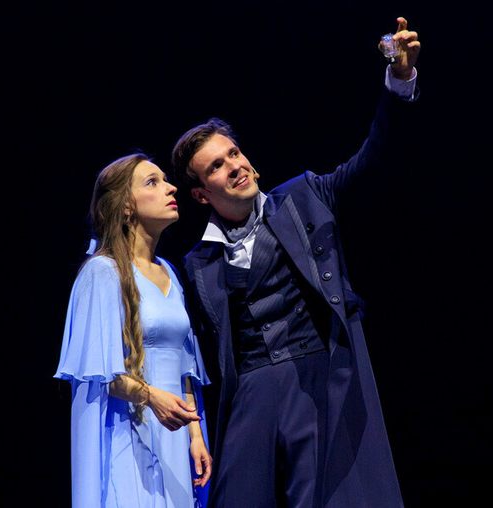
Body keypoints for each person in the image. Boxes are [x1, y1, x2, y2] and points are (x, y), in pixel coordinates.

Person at [170, 17, 420, 508]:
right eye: (217, 166)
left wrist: (399, 80)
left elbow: (374, 159)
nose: (234, 166)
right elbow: (191, 349)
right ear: (201, 194)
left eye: (234, 153)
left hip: (318, 376)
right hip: (252, 392)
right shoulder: (199, 262)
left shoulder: (304, 196)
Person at [54, 153, 212, 507]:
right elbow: (98, 375)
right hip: (129, 432)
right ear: (126, 206)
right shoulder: (102, 273)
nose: (171, 188)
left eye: (165, 180)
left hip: (175, 438)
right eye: (152, 182)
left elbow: (185, 365)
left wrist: (195, 434)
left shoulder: (169, 272)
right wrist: (151, 396)